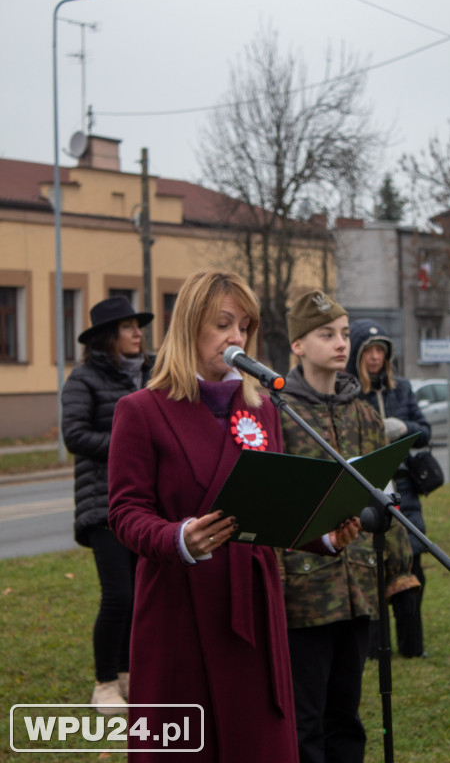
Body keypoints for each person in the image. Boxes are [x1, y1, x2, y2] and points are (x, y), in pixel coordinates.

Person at [107, 270, 359, 763]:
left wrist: (324, 534)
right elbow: (124, 511)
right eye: (223, 323)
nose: (236, 338)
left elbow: (274, 509)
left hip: (254, 606)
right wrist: (179, 537)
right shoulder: (141, 410)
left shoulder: (262, 407)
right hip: (181, 605)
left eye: (244, 326)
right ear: (189, 326)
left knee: (255, 741)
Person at [279, 290, 420, 763]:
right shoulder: (281, 414)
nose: (341, 344)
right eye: (326, 334)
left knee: (348, 716)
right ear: (297, 345)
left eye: (343, 334)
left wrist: (396, 563)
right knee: (306, 721)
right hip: (303, 592)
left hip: (358, 586)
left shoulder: (362, 412)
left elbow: (383, 492)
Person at [61, 296, 154, 713]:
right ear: (106, 337)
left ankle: (129, 675)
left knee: (141, 595)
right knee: (118, 595)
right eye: (128, 327)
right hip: (102, 502)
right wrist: (127, 445)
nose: (139, 334)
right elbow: (75, 435)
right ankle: (104, 683)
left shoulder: (151, 375)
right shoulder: (83, 379)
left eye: (139, 326)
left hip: (146, 502)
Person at [346, 318, 432, 659]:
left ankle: (412, 645)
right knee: (373, 567)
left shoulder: (402, 390)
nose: (375, 357)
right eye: (369, 351)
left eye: (381, 350)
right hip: (369, 488)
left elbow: (424, 431)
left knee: (413, 562)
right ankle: (374, 647)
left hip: (405, 489)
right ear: (358, 355)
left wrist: (403, 427)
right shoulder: (351, 393)